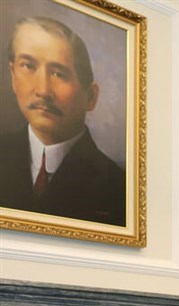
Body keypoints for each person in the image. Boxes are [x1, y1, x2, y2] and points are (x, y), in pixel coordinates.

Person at [0, 16, 125, 226]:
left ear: (91, 97)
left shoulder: (116, 184)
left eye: (59, 74)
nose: (42, 90)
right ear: (13, 76)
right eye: (28, 66)